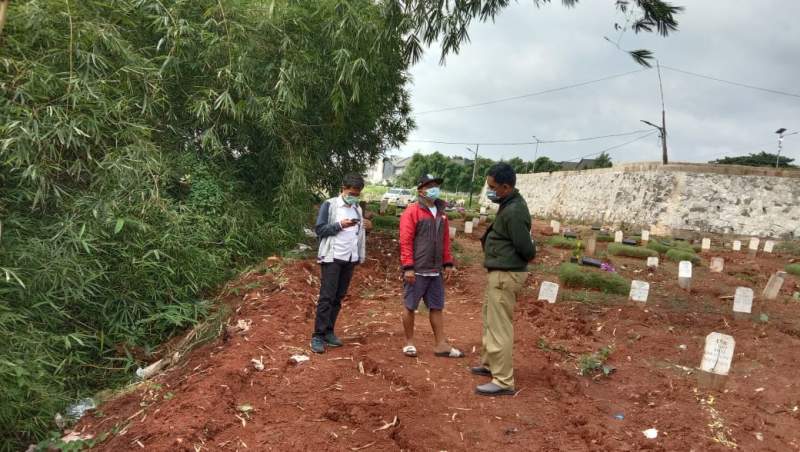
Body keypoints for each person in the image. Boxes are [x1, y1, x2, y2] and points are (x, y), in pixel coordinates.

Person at [471, 163, 535, 396]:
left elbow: (526, 248)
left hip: (506, 275)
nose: (489, 190)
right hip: (499, 273)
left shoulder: (515, 211)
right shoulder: (508, 204)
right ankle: (490, 365)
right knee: (490, 320)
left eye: (492, 187)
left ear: (506, 187)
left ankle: (503, 380)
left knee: (499, 327)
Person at [399, 174, 464, 359]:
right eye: (430, 186)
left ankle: (441, 344)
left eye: (436, 185)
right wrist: (408, 267)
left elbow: (445, 241)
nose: (434, 188)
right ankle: (409, 343)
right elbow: (405, 241)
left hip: (435, 270)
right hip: (417, 269)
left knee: (436, 306)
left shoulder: (441, 214)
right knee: (410, 306)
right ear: (421, 191)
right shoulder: (412, 212)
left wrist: (448, 263)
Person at [310, 174, 372, 354]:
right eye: (351, 192)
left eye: (357, 194)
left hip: (350, 258)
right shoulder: (330, 205)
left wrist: (366, 229)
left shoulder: (357, 209)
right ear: (343, 188)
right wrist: (339, 225)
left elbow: (358, 234)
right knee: (327, 297)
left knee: (338, 296)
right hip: (333, 257)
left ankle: (329, 331)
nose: (354, 196)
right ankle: (318, 336)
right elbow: (319, 229)